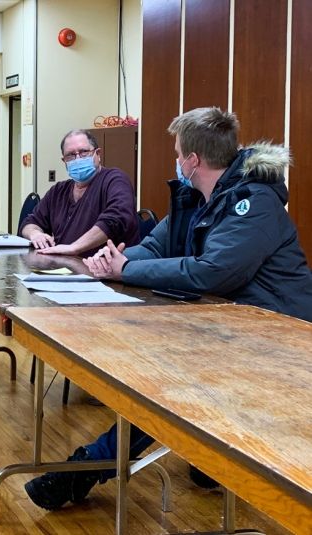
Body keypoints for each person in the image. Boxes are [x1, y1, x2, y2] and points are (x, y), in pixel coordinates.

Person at [25, 107, 312, 511]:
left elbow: (213, 272)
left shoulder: (254, 201)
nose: (175, 160)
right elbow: (157, 246)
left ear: (193, 160)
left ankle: (86, 469)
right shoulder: (196, 197)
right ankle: (198, 460)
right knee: (160, 380)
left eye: (178, 153)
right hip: (227, 326)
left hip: (276, 335)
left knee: (170, 386)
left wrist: (128, 269)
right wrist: (113, 264)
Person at [20, 130, 139, 257]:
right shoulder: (59, 191)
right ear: (64, 161)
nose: (78, 159)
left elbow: (116, 218)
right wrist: (35, 234)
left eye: (83, 152)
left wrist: (74, 248)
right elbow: (30, 222)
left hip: (105, 271)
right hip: (65, 268)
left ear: (97, 154)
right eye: (70, 155)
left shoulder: (114, 180)